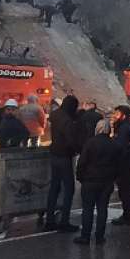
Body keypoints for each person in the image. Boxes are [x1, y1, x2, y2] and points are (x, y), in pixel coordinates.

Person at [74, 120, 121, 245]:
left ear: (98, 129)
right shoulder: (113, 144)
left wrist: (80, 177)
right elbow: (117, 164)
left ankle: (85, 236)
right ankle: (100, 236)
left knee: (88, 209)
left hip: (90, 180)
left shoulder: (90, 142)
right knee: (102, 209)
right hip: (106, 181)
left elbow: (82, 162)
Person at [44, 95, 83, 232]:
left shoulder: (55, 115)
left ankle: (49, 220)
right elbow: (70, 140)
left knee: (54, 187)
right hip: (64, 156)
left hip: (54, 154)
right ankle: (64, 221)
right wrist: (79, 149)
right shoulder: (67, 121)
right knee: (69, 189)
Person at [110, 105, 130, 225]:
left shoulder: (124, 127)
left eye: (117, 114)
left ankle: (127, 214)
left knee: (124, 189)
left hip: (125, 163)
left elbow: (120, 146)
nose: (115, 116)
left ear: (123, 115)